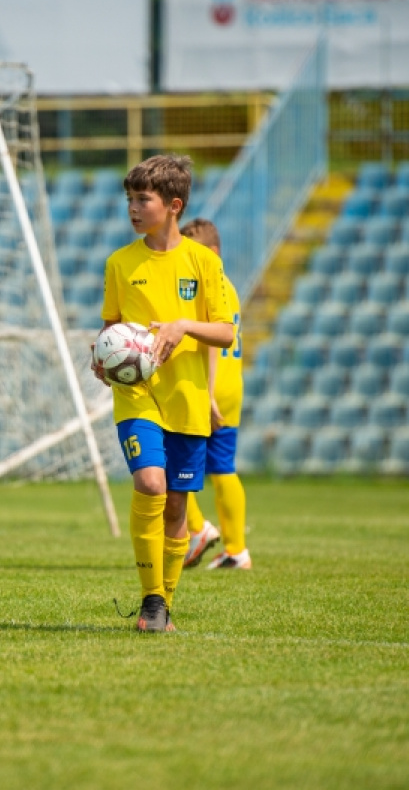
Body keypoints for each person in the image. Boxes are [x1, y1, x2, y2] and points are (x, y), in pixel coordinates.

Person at [93, 155, 234, 633]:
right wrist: (102, 355)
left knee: (177, 504)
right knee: (151, 484)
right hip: (138, 396)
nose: (133, 208)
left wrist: (182, 326)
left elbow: (224, 333)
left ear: (173, 206)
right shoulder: (120, 263)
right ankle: (151, 600)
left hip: (188, 398)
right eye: (129, 199)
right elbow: (111, 326)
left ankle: (163, 607)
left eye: (142, 200)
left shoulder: (202, 262)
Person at [179, 218, 251, 571]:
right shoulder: (230, 287)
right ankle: (236, 549)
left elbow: (208, 341)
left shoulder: (205, 284)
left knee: (164, 457)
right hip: (231, 382)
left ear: (213, 252)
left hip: (210, 383)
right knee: (223, 466)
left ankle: (197, 528)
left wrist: (206, 394)